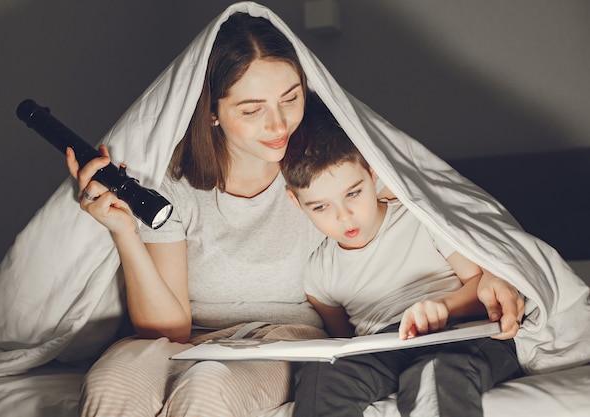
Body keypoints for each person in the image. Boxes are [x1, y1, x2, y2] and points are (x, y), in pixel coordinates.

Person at [66, 7, 525, 417]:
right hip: (184, 340)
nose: (279, 124)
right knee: (112, 382)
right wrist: (124, 231)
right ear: (211, 112)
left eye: (290, 98)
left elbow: (439, 211)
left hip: (284, 338)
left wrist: (493, 275)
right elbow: (169, 328)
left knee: (207, 390)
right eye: (252, 109)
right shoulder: (175, 186)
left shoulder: (324, 173)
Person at [280, 95, 525, 417]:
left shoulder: (421, 219)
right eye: (321, 206)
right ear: (297, 202)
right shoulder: (319, 271)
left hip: (460, 333)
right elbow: (343, 344)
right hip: (384, 347)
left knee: (438, 373)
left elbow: (483, 287)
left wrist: (442, 307)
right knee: (321, 376)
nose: (344, 217)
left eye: (353, 193)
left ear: (373, 174)